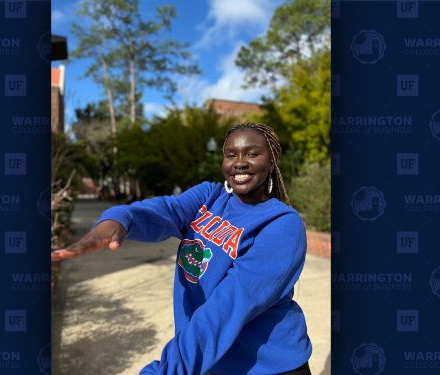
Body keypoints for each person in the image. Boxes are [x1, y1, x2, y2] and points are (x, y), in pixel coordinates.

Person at [51, 122, 312, 375]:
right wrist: (119, 219)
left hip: (267, 365)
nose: (239, 162)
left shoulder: (283, 225)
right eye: (230, 154)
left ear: (272, 158)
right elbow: (166, 210)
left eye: (252, 153)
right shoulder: (210, 196)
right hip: (208, 359)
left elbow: (229, 305)